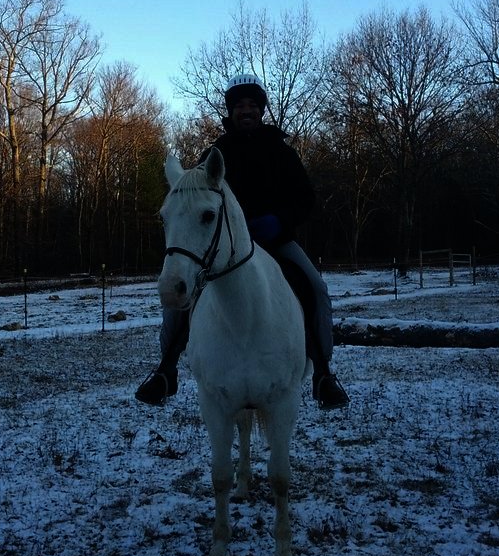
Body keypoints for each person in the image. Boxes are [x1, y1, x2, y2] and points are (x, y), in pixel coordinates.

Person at [136, 73, 351, 410]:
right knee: (182, 292)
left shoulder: (282, 152)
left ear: (262, 110)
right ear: (231, 111)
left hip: (275, 240)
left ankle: (323, 372)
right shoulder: (215, 152)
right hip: (224, 248)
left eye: (252, 104)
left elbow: (305, 198)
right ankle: (166, 370)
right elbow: (195, 200)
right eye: (239, 105)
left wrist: (279, 221)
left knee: (314, 287)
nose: (246, 110)